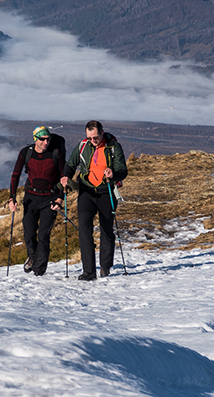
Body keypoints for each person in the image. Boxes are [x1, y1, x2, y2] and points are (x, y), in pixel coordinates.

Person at [66, 120, 128, 281]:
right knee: (84, 231)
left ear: (102, 133)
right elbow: (71, 164)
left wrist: (113, 174)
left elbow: (123, 170)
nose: (93, 140)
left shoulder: (114, 147)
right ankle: (89, 271)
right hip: (86, 192)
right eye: (89, 137)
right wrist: (66, 176)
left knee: (106, 230)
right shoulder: (83, 146)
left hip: (106, 192)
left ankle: (105, 266)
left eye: (95, 137)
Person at [8, 126, 67, 275]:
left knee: (43, 235)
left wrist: (60, 199)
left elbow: (63, 177)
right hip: (31, 198)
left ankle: (39, 270)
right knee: (28, 232)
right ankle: (33, 258)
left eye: (48, 139)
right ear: (36, 139)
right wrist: (12, 197)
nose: (46, 142)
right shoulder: (25, 153)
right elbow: (15, 175)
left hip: (50, 199)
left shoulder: (56, 153)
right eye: (42, 139)